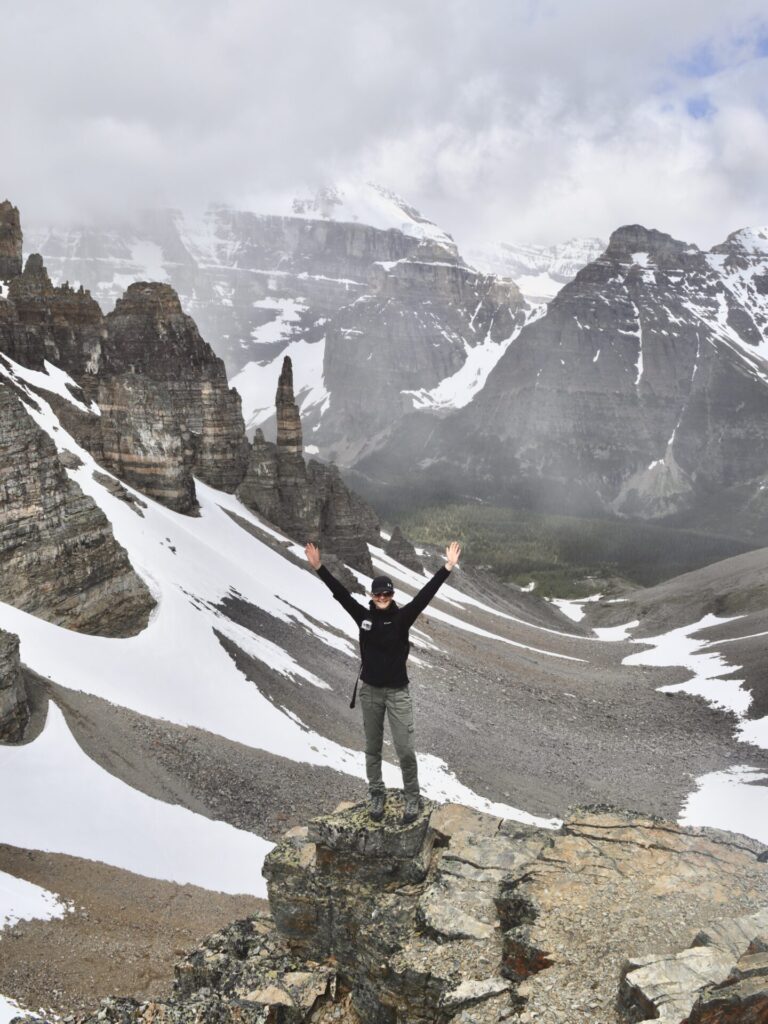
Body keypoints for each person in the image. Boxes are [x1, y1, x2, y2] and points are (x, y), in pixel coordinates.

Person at [304, 540, 462, 824]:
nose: (382, 598)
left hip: (398, 693)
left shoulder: (402, 618)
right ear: (371, 596)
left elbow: (425, 596)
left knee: (404, 749)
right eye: (378, 595)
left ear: (392, 594)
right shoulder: (363, 617)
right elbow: (340, 594)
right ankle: (376, 794)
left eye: (387, 594)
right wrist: (319, 568)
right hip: (370, 693)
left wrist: (447, 567)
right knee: (373, 747)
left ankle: (412, 799)